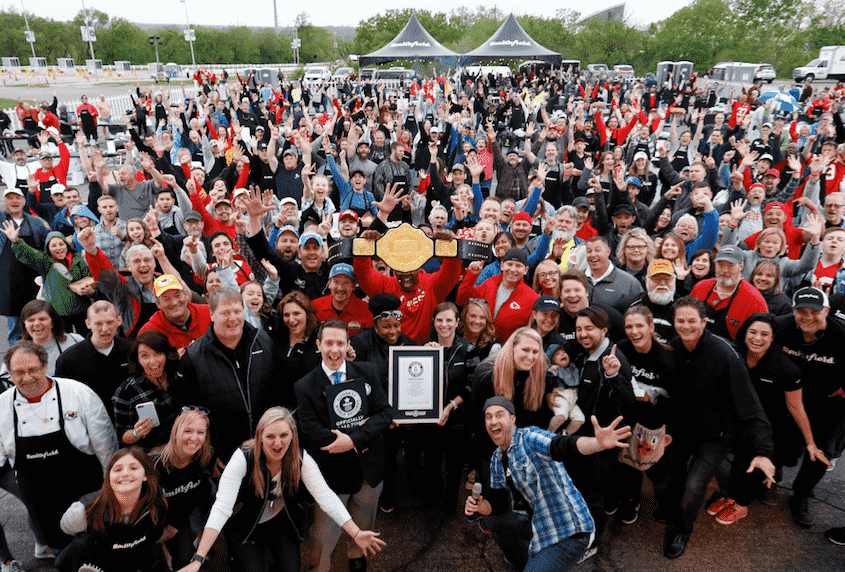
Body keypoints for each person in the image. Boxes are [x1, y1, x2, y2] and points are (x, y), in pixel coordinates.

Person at [176, 406, 385, 572]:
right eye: (270, 437)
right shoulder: (243, 457)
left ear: (293, 435)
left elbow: (326, 497)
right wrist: (198, 558)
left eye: (284, 435)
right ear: (259, 437)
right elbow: (222, 507)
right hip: (245, 521)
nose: (277, 443)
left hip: (280, 520)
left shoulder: (299, 458)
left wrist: (356, 533)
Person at [464, 396, 632, 571]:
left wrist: (597, 443)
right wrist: (481, 506)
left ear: (512, 419)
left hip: (568, 530)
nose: (493, 421)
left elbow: (562, 445)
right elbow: (498, 503)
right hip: (538, 527)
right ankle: (528, 560)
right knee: (494, 521)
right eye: (488, 417)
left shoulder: (529, 438)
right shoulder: (497, 460)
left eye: (500, 415)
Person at [663, 297, 775, 559]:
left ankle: (681, 530)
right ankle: (675, 511)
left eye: (693, 321)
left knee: (694, 484)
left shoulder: (725, 354)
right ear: (674, 322)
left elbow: (750, 405)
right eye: (681, 320)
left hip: (718, 433)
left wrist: (764, 451)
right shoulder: (675, 346)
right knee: (671, 476)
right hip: (684, 428)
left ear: (704, 322)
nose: (686, 326)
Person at [294, 319, 392, 572]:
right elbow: (310, 431)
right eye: (328, 343)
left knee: (364, 520)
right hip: (331, 476)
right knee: (324, 535)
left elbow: (384, 414)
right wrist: (352, 437)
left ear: (348, 344)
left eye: (340, 343)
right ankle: (320, 566)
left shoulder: (368, 372)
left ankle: (356, 554)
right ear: (318, 345)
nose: (334, 350)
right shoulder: (305, 386)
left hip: (368, 470)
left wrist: (352, 440)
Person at [0, 341, 117, 552]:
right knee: (60, 551)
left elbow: (105, 442)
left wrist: (111, 482)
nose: (27, 378)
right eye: (19, 372)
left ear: (45, 366)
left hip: (82, 486)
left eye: (33, 370)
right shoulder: (2, 406)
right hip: (39, 496)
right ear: (9, 373)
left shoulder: (78, 393)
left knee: (97, 545)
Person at [706, 313, 820, 525]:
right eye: (753, 332)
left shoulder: (786, 368)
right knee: (739, 464)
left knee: (753, 468)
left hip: (769, 430)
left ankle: (742, 505)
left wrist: (810, 442)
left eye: (764, 334)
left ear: (773, 338)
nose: (757, 338)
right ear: (744, 333)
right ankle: (731, 496)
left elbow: (796, 406)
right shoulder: (734, 355)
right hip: (739, 425)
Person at [172, 287, 283, 462]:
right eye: (225, 313)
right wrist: (210, 454)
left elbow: (280, 393)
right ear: (211, 314)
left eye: (238, 311)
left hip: (268, 447)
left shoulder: (262, 341)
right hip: (225, 454)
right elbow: (188, 411)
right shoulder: (194, 356)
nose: (233, 318)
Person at [775, 287, 845, 529]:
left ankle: (802, 494)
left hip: (831, 402)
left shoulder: (840, 334)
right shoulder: (781, 326)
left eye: (814, 311)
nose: (807, 317)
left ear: (826, 310)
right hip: (792, 396)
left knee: (821, 450)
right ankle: (774, 474)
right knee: (786, 441)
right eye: (800, 311)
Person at [57, 448, 168, 572]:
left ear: (146, 476)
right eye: (118, 469)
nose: (125, 473)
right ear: (109, 476)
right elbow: (68, 529)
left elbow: (155, 536)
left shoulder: (156, 502)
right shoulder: (84, 510)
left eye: (133, 468)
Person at [615, 306, 677, 525]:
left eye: (639, 325)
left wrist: (650, 397)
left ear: (651, 327)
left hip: (654, 426)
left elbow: (676, 399)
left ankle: (668, 507)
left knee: (658, 473)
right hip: (627, 421)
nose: (634, 331)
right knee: (627, 466)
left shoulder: (667, 358)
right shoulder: (621, 349)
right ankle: (631, 500)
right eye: (629, 326)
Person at [152, 408, 217, 570]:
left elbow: (192, 497)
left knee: (185, 557)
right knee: (155, 562)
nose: (194, 438)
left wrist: (173, 527)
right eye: (188, 431)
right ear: (175, 433)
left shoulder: (205, 458)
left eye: (200, 432)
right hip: (150, 523)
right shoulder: (154, 465)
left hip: (178, 517)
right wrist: (158, 539)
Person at [55, 301, 132, 421]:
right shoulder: (68, 360)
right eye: (98, 323)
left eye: (110, 322)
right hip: (92, 423)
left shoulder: (132, 351)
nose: (105, 329)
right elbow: (65, 400)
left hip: (130, 421)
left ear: (119, 320)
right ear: (88, 324)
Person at [112, 330, 181, 450]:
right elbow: (121, 436)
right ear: (137, 358)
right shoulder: (126, 392)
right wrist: (136, 433)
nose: (153, 361)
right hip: (153, 454)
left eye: (158, 353)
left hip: (184, 446)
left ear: (166, 354)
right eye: (145, 356)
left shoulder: (178, 376)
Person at [458, 248, 540, 344]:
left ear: (525, 270)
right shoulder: (489, 284)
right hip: (477, 346)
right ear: (502, 266)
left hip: (507, 352)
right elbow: (462, 300)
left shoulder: (532, 298)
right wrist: (471, 276)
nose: (513, 269)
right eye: (509, 264)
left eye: (518, 266)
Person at [1, 187, 49, 344]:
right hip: (8, 282)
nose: (14, 201)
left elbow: (46, 248)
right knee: (15, 326)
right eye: (10, 198)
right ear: (3, 201)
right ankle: (18, 360)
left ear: (24, 201)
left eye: (18, 197)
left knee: (38, 321)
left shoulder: (37, 223)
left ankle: (40, 354)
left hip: (34, 281)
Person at [691, 245, 768, 339]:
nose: (725, 270)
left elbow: (760, 339)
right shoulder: (700, 287)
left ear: (741, 266)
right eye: (720, 264)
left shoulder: (755, 301)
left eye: (731, 265)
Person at [140, 274, 212, 353]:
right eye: (166, 299)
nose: (174, 302)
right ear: (158, 304)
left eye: (177, 295)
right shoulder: (149, 332)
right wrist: (173, 360)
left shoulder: (210, 313)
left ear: (186, 295)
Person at [13, 300, 84, 377]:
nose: (36, 324)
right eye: (31, 320)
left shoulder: (75, 340)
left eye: (42, 319)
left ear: (53, 322)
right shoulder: (17, 352)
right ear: (24, 324)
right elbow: (6, 380)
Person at [312, 263, 372, 338]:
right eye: (336, 282)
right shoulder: (315, 306)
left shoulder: (366, 310)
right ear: (329, 284)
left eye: (346, 282)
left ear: (353, 286)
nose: (340, 288)